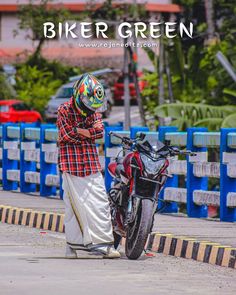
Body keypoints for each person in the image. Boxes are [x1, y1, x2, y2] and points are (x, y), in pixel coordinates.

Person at [56, 73, 120, 259]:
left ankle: (104, 245)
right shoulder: (64, 109)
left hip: (91, 164)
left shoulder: (93, 111)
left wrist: (80, 131)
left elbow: (100, 132)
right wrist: (86, 133)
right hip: (71, 164)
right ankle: (72, 246)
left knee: (100, 203)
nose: (91, 109)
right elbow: (66, 135)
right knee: (74, 207)